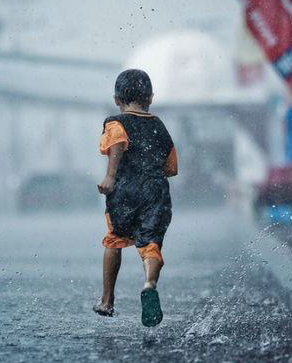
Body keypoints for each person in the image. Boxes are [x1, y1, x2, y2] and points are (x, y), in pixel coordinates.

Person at [93, 69, 178, 327]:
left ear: (117, 99)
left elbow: (117, 141)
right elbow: (171, 166)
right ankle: (149, 283)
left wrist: (111, 176)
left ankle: (107, 301)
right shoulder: (159, 125)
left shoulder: (115, 122)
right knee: (151, 244)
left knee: (115, 240)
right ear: (150, 97)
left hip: (125, 191)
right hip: (156, 191)